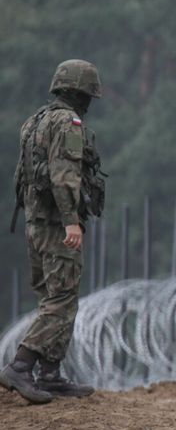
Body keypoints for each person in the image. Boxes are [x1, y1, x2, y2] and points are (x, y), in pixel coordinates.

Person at [1, 59, 106, 404]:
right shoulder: (68, 123)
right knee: (62, 300)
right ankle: (21, 365)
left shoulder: (34, 122)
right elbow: (64, 176)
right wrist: (71, 221)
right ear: (81, 92)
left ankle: (50, 373)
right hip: (57, 225)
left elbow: (24, 176)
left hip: (36, 223)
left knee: (52, 297)